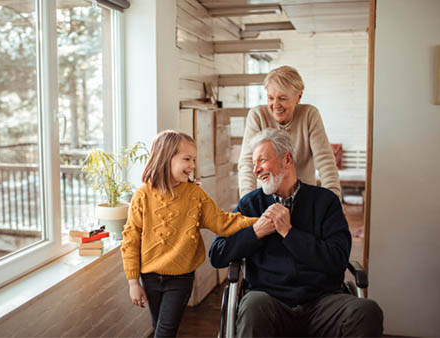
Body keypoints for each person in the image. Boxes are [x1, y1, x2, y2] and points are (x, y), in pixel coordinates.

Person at [209, 128, 383, 337]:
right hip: (269, 302)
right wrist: (256, 231)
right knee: (253, 304)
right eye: (254, 163)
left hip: (322, 302)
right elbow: (217, 254)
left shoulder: (325, 202)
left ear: (287, 159)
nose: (256, 170)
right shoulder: (251, 205)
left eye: (262, 161)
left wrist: (289, 233)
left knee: (367, 311)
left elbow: (337, 259)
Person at [120, 130, 273, 338]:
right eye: (187, 159)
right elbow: (130, 240)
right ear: (166, 158)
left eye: (194, 159)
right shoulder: (142, 196)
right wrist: (133, 282)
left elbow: (222, 222)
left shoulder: (195, 195)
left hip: (181, 278)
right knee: (160, 328)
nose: (192, 165)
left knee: (164, 331)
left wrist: (260, 222)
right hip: (150, 277)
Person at [238, 65, 341, 199]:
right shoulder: (257, 116)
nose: (275, 105)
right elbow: (247, 163)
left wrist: (334, 203)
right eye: (270, 98)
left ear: (298, 97)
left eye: (282, 98)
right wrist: (247, 203)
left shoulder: (309, 115)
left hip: (303, 197)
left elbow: (325, 162)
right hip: (266, 196)